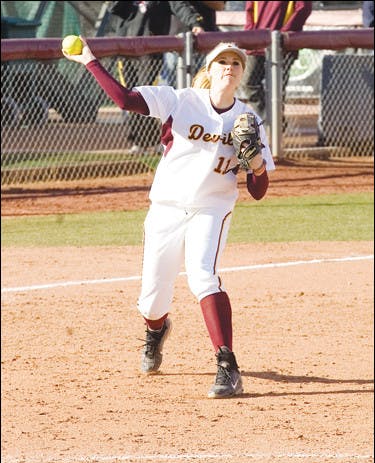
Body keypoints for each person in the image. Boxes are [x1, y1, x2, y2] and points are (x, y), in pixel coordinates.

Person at [62, 38, 275, 398]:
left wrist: (254, 163)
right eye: (221, 61)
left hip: (212, 208)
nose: (229, 67)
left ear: (241, 74)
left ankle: (227, 366)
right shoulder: (180, 101)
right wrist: (89, 60)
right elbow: (125, 100)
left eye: (236, 63)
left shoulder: (249, 120)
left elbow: (258, 189)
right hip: (166, 207)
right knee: (152, 301)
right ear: (208, 70)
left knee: (203, 277)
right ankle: (156, 330)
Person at [108, 1, 214, 153]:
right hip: (125, 49)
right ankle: (137, 141)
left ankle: (151, 139)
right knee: (129, 96)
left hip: (151, 51)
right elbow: (113, 8)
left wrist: (194, 23)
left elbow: (180, 6)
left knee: (146, 95)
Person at [236, 1, 312, 124]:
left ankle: (275, 127)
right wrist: (250, 33)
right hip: (257, 42)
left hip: (282, 45)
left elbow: (303, 8)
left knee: (276, 89)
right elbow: (250, 10)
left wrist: (284, 33)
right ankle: (270, 122)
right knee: (248, 83)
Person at [161, 1, 226, 87]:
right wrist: (195, 23)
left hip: (206, 39)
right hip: (177, 40)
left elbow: (220, 5)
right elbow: (179, 5)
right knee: (176, 88)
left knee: (204, 86)